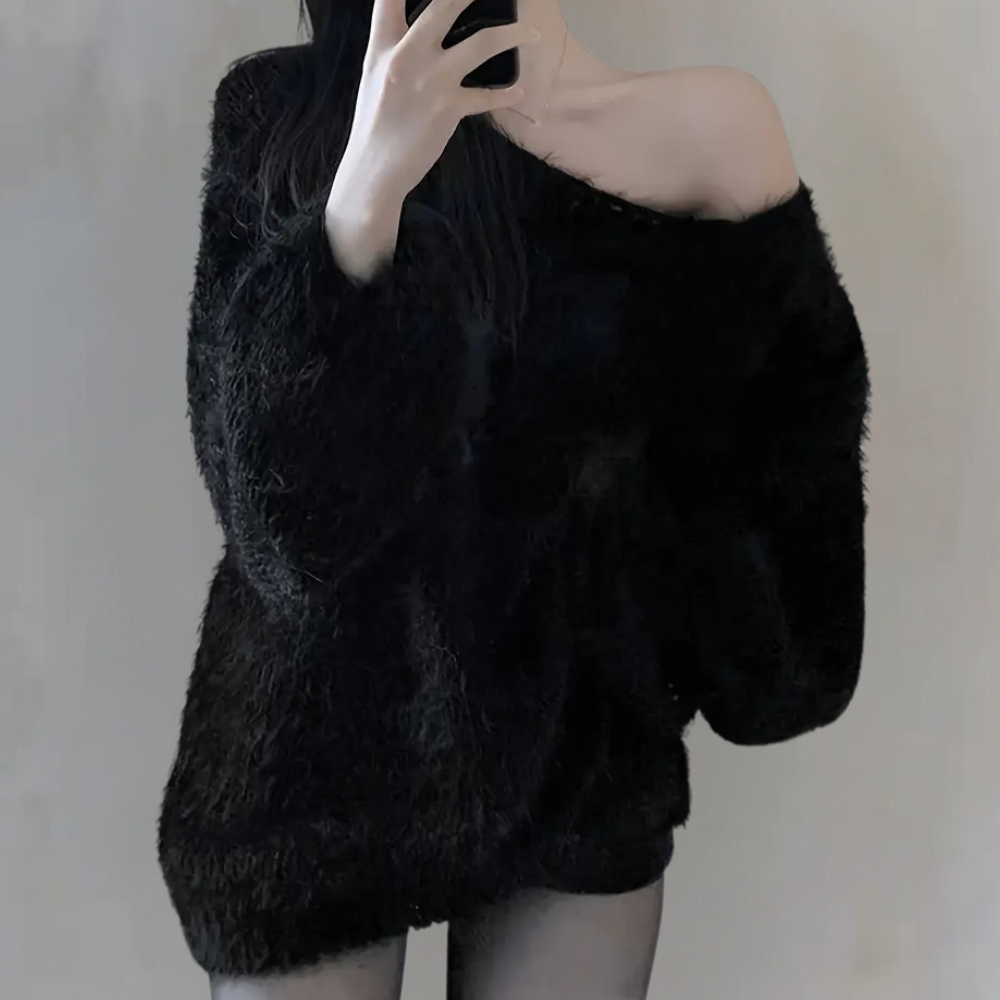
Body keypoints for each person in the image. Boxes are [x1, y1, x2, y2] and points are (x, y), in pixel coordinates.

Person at [157, 0, 872, 995]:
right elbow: (276, 535)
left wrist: (751, 259)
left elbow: (786, 589)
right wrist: (362, 198)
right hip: (309, 776)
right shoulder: (280, 112)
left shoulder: (707, 130)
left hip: (579, 766)